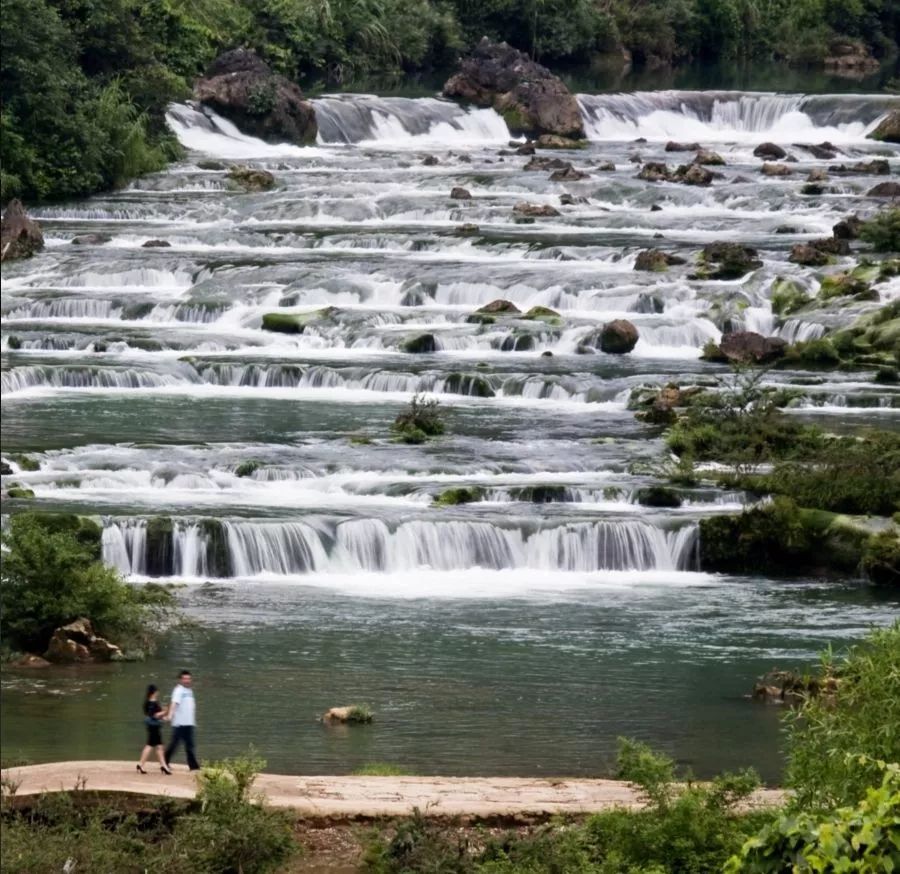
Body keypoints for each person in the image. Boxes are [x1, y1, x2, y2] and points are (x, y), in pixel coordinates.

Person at [164, 669, 200, 771]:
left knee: (190, 745)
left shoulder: (190, 691)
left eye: (188, 678)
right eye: (184, 678)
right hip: (180, 723)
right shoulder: (178, 690)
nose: (187, 680)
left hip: (189, 723)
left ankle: (193, 766)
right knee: (174, 744)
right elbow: (174, 703)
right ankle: (165, 760)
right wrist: (170, 716)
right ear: (180, 680)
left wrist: (193, 721)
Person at [137, 684, 172, 774]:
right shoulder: (153, 703)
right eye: (157, 691)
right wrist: (165, 711)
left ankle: (162, 766)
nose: (158, 693)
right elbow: (155, 715)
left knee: (157, 746)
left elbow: (151, 715)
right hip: (154, 728)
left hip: (152, 727)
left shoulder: (147, 703)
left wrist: (164, 715)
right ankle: (143, 765)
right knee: (154, 746)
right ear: (153, 693)